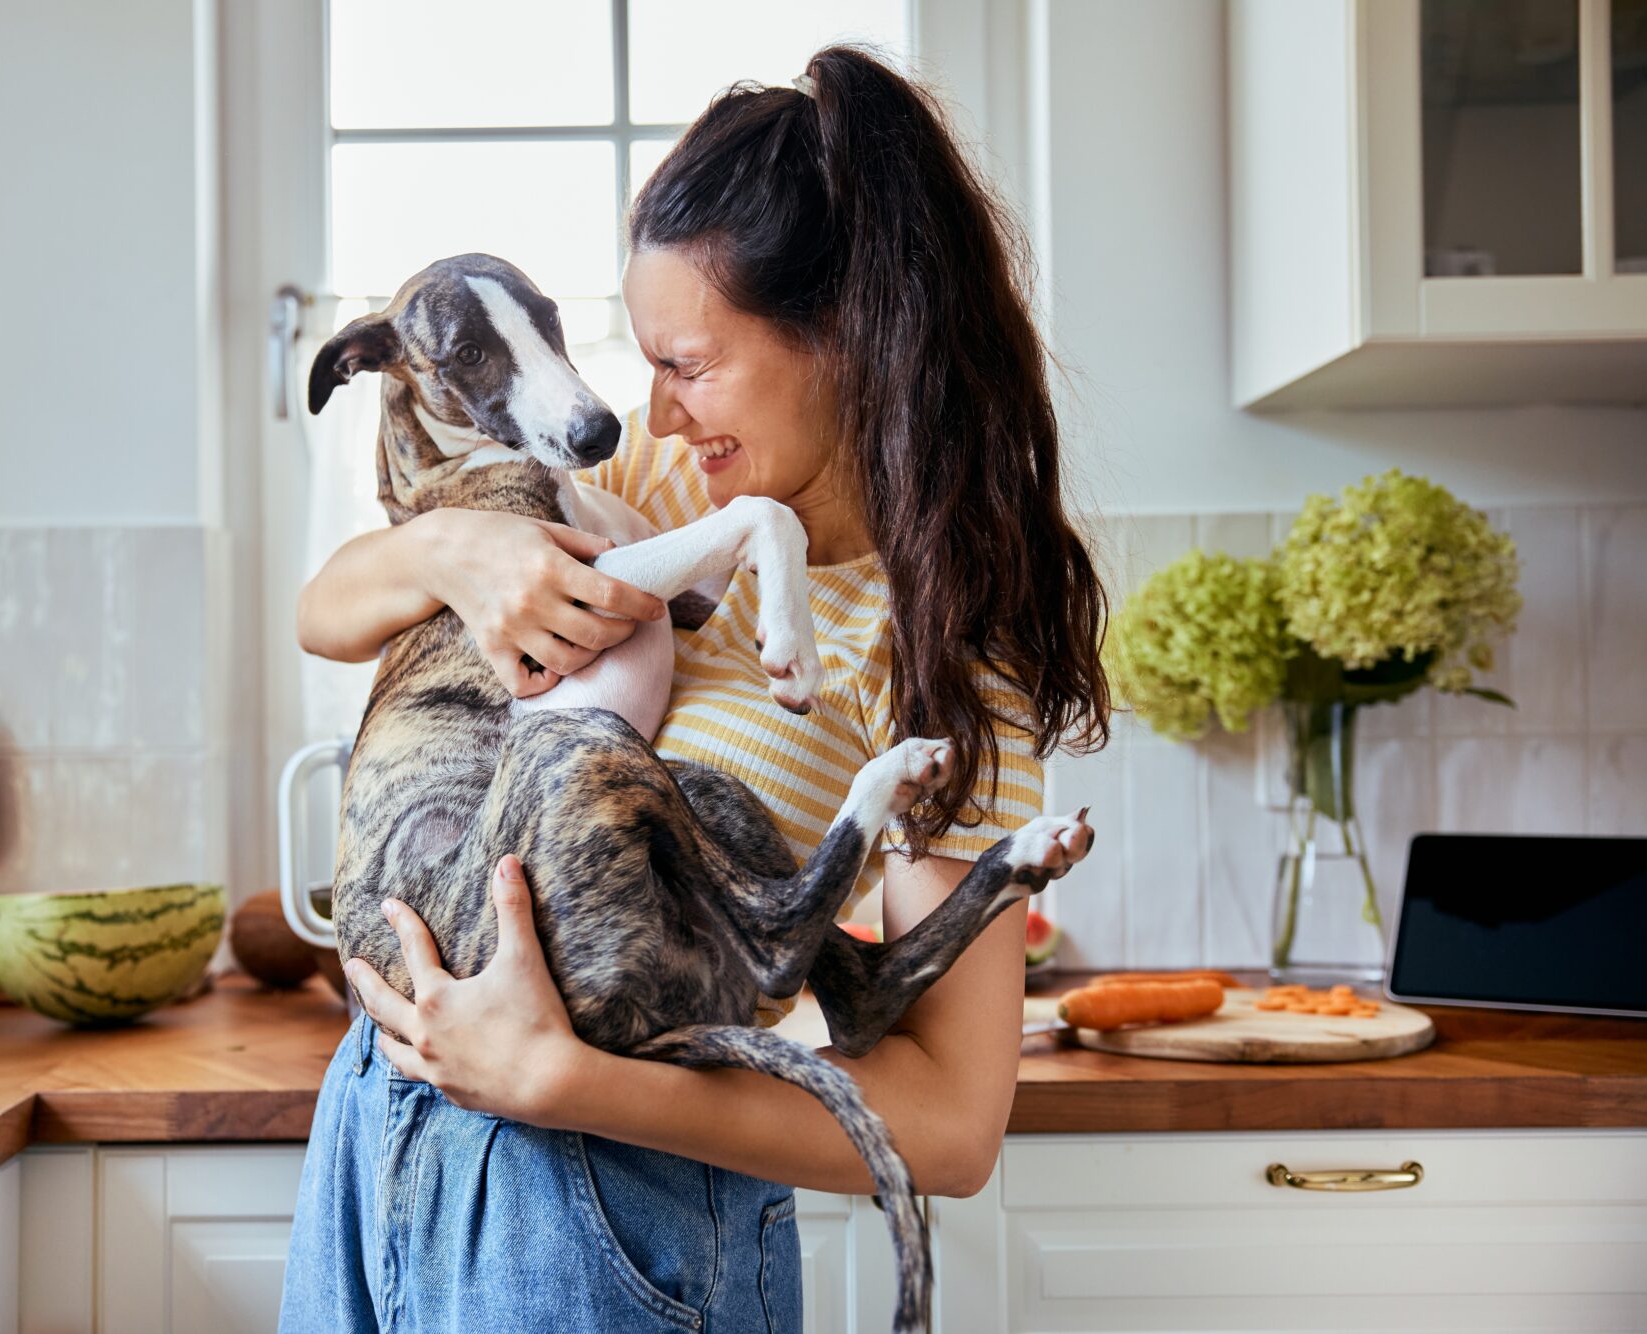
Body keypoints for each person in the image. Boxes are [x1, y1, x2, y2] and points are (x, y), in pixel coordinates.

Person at [277, 44, 1110, 1333]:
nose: (655, 418)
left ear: (851, 335)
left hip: (609, 1207)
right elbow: (324, 615)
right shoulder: (666, 493)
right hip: (376, 1132)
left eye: (689, 364)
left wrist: (562, 1082)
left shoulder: (947, 641)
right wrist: (448, 551)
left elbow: (952, 1124)